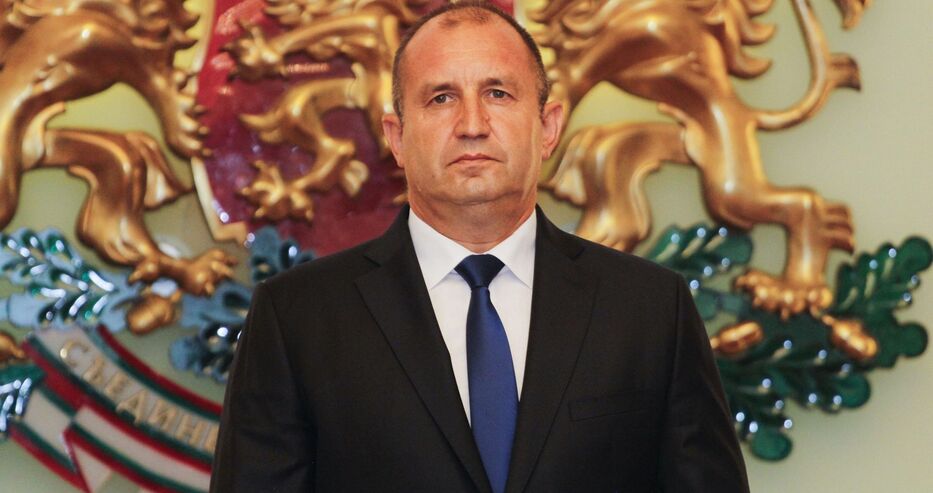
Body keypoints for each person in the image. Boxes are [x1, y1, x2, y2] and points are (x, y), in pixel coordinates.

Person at [211, 2, 750, 492]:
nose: (472, 125)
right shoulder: (297, 318)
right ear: (397, 138)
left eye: (498, 93)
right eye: (441, 98)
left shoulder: (651, 309)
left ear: (548, 127)